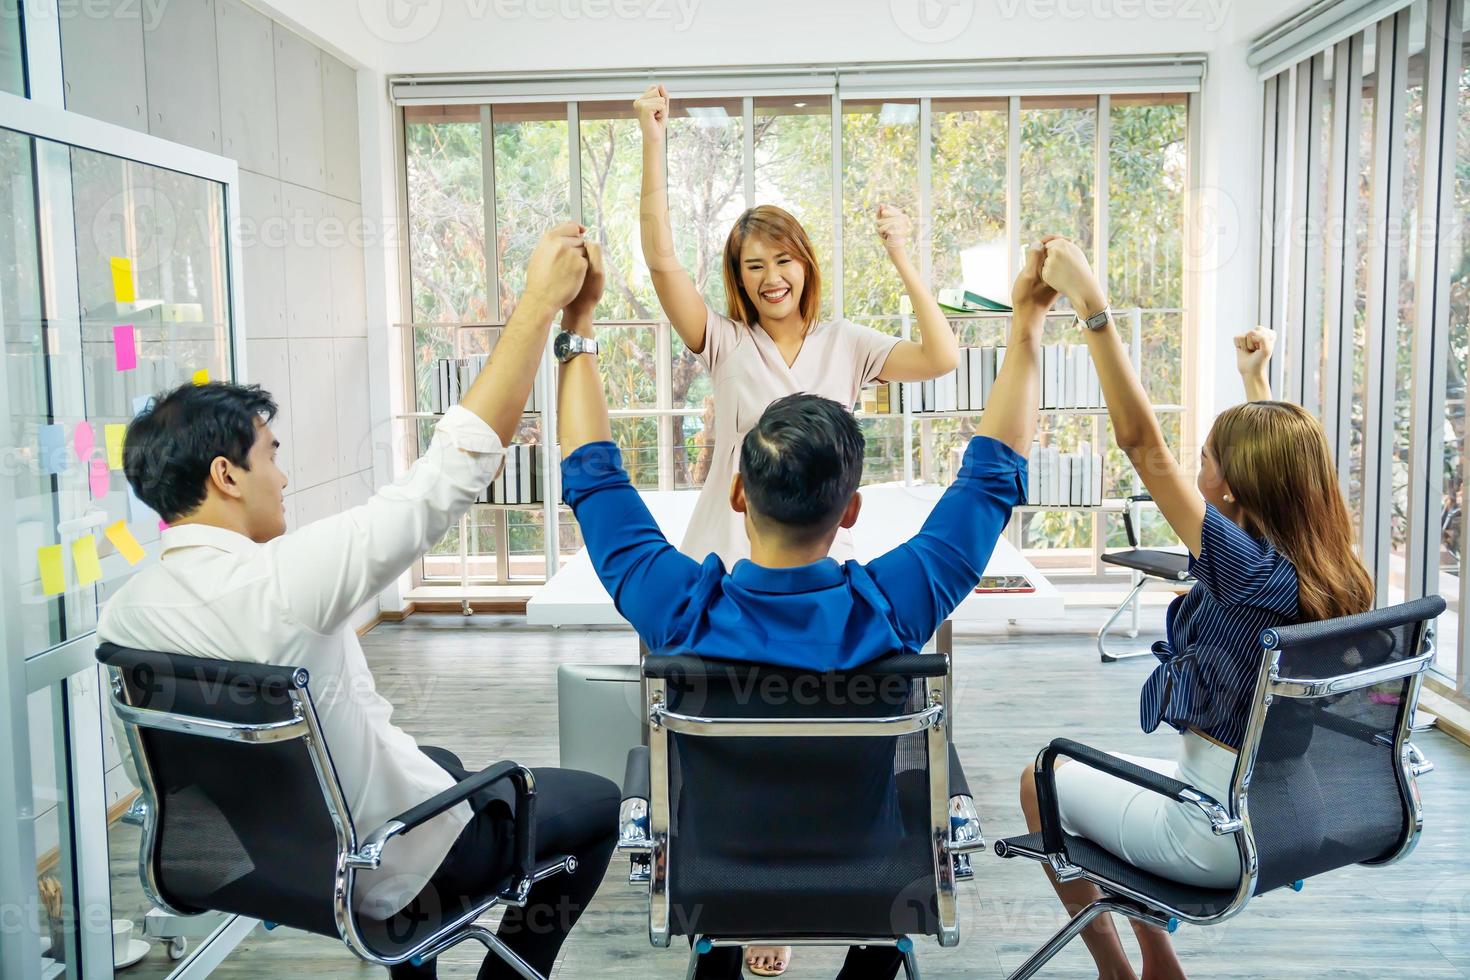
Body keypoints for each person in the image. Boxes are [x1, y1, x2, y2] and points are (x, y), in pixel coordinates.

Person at [98, 224, 619, 980]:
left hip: (266, 864)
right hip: (367, 868)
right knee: (596, 804)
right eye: (270, 455)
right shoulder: (283, 587)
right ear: (226, 475)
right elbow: (452, 473)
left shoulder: (124, 614)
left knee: (435, 760)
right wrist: (544, 303)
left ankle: (416, 952)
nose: (283, 475)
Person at [558, 239, 1056, 979]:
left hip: (715, 869)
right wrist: (1026, 327)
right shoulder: (895, 605)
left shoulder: (680, 609)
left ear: (737, 494)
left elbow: (592, 479)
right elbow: (991, 479)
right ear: (851, 509)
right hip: (868, 870)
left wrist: (579, 318)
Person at [1018, 236, 1374, 980]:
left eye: (1207, 459)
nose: (1195, 468)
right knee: (1115, 777)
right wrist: (1258, 381)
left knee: (1037, 779)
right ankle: (1160, 962)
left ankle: (1121, 970)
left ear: (1232, 488)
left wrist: (1092, 308)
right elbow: (1286, 465)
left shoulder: (1244, 571)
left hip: (1215, 833)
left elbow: (1141, 445)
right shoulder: (1331, 569)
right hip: (1292, 816)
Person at [635, 83, 961, 572]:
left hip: (819, 552)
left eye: (784, 259)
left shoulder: (847, 343)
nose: (772, 278)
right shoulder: (724, 341)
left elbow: (941, 358)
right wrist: (653, 141)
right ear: (739, 277)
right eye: (754, 266)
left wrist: (901, 256)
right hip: (728, 551)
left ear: (805, 263)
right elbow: (662, 263)